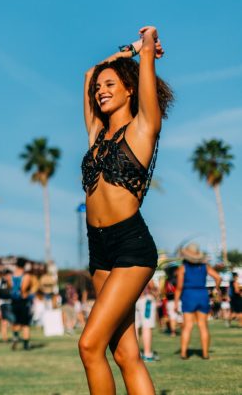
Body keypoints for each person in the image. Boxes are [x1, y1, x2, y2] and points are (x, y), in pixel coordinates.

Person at [78, 27, 172, 394]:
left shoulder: (143, 128)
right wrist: (127, 49)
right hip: (99, 249)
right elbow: (89, 74)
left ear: (130, 89)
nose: (100, 89)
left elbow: (144, 63)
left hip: (131, 245)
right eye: (100, 88)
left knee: (88, 346)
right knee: (125, 355)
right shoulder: (96, 135)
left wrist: (145, 46)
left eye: (110, 85)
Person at [175, 243, 221, 359]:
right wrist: (216, 289)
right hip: (202, 295)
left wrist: (176, 302)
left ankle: (184, 353)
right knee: (203, 325)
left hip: (188, 295)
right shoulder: (205, 266)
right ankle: (205, 354)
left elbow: (179, 287)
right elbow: (218, 277)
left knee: (188, 326)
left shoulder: (183, 267)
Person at [10, 259, 32, 350]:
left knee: (16, 322)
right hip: (23, 300)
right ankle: (26, 344)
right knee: (25, 323)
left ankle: (15, 337)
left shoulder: (12, 275)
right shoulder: (26, 275)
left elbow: (10, 286)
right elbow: (23, 289)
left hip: (13, 300)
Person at [135, 279, 158, 362]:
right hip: (145, 299)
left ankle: (135, 354)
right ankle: (147, 354)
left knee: (135, 328)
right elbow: (151, 285)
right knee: (147, 327)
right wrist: (155, 291)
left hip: (132, 299)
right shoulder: (141, 267)